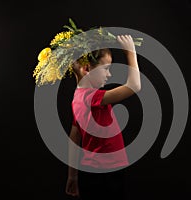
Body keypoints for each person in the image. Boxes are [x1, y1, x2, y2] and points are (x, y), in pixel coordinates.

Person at [65, 35, 141, 200]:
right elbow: (134, 86)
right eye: (106, 69)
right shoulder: (91, 98)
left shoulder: (77, 98)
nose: (109, 75)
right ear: (86, 69)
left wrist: (72, 176)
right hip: (106, 173)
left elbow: (74, 137)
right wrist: (130, 52)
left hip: (92, 172)